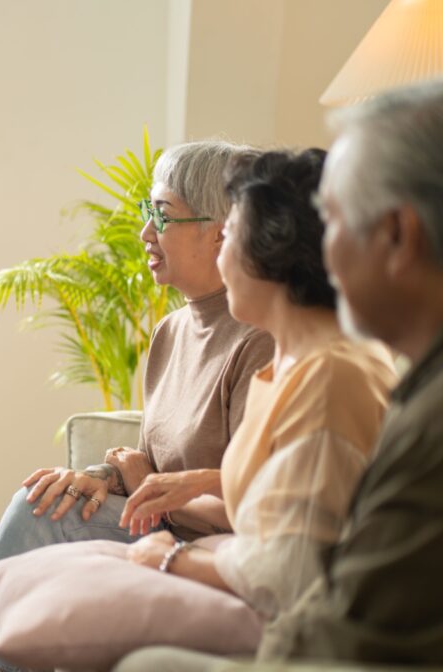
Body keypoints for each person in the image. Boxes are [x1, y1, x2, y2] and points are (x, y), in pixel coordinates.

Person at [116, 79, 443, 672]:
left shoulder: (347, 380)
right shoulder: (404, 383)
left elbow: (302, 573)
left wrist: (169, 557)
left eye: (334, 221)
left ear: (397, 235)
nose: (317, 249)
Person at [0, 141, 276, 671]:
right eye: (146, 213)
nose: (145, 234)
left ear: (222, 228)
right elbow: (152, 456)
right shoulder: (172, 330)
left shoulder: (261, 337)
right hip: (160, 522)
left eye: (162, 215)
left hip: (210, 543)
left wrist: (151, 488)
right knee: (41, 501)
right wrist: (103, 475)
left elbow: (255, 506)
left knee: (36, 518)